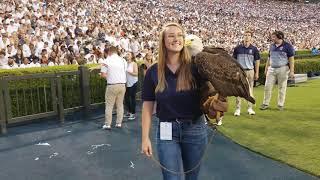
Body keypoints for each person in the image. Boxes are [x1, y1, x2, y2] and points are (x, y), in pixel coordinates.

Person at [141, 22, 226, 180]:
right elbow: (147, 106)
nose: (176, 39)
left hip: (195, 129)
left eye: (180, 35)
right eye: (171, 35)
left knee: (191, 177)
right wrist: (145, 138)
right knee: (170, 178)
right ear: (163, 41)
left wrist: (215, 105)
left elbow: (210, 94)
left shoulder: (197, 67)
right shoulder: (153, 71)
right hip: (167, 130)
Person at [260, 31, 295, 111]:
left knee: (282, 87)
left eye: (274, 37)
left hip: (283, 68)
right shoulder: (272, 46)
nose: (272, 38)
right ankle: (265, 103)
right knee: (267, 87)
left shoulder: (288, 46)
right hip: (271, 68)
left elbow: (291, 59)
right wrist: (266, 68)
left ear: (279, 37)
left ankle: (280, 104)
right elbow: (269, 58)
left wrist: (292, 71)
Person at [232, 30, 260, 116]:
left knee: (250, 90)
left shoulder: (254, 49)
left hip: (250, 71)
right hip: (240, 71)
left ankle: (250, 108)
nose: (247, 37)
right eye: (245, 35)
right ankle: (238, 109)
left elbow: (257, 61)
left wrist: (256, 73)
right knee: (238, 90)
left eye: (249, 35)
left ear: (251, 37)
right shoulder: (237, 48)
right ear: (243, 36)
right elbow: (234, 61)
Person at [100, 46, 127, 129]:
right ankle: (119, 123)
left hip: (112, 85)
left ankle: (108, 124)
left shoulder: (106, 60)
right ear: (116, 51)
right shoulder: (123, 60)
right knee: (120, 105)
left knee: (109, 106)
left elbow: (103, 74)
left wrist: (106, 76)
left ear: (109, 52)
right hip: (122, 85)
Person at [124, 52, 138, 120]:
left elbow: (136, 74)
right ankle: (129, 112)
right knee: (126, 98)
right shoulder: (125, 63)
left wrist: (129, 72)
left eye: (128, 54)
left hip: (133, 83)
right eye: (127, 54)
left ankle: (133, 113)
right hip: (127, 83)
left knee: (132, 98)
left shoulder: (134, 63)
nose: (127, 55)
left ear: (132, 56)